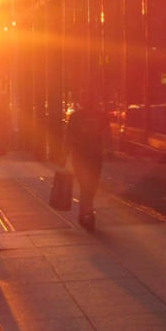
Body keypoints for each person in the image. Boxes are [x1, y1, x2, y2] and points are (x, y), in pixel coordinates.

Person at [63, 91, 109, 230]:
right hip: (93, 156)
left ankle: (85, 212)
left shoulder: (76, 117)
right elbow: (106, 135)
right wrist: (107, 150)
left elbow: (69, 137)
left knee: (86, 185)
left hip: (82, 155)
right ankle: (87, 213)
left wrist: (64, 154)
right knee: (90, 185)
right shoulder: (100, 116)